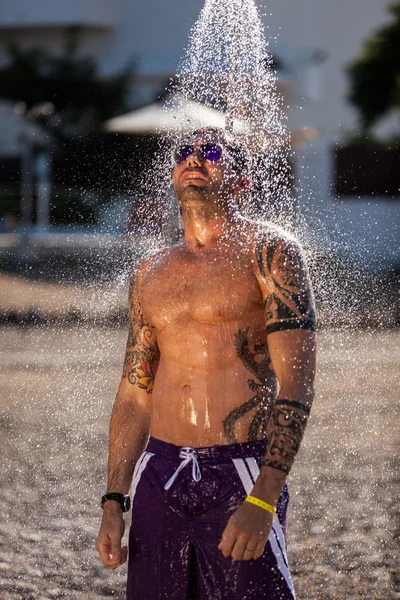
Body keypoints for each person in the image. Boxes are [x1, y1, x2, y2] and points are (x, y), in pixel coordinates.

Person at [96, 127, 317, 600]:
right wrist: (114, 500)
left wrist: (265, 495)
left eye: (212, 152)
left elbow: (296, 389)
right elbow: (135, 394)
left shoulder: (270, 252)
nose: (195, 159)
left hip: (239, 470)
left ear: (241, 181)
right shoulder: (150, 270)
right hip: (159, 471)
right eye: (185, 152)